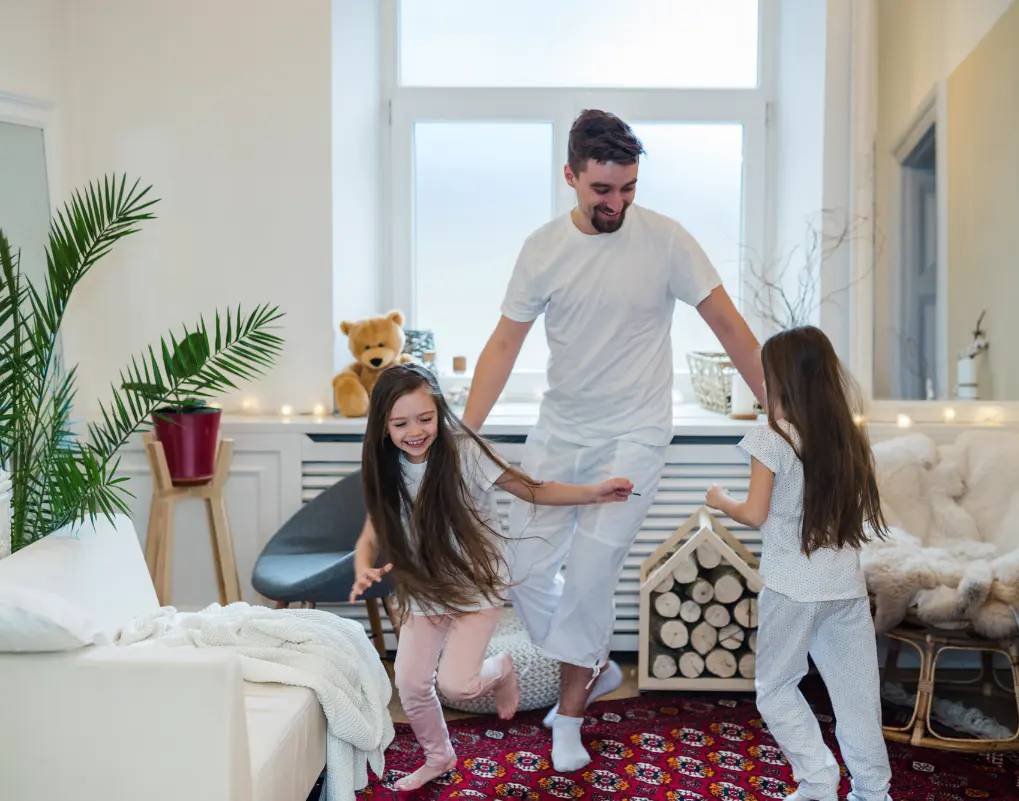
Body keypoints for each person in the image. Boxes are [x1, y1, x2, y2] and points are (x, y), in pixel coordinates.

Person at [462, 109, 766, 773]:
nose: (618, 202)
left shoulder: (667, 241)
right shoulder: (542, 249)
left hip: (637, 431)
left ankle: (569, 716)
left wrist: (781, 407)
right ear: (570, 175)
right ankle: (592, 662)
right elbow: (504, 343)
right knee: (522, 568)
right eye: (603, 189)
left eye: (628, 187)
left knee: (593, 571)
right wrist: (467, 428)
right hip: (560, 429)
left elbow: (730, 327)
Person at [350, 363, 635, 792]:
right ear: (383, 426)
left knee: (457, 685)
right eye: (401, 423)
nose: (415, 431)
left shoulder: (467, 453)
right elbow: (372, 528)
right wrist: (362, 566)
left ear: (440, 413)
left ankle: (501, 670)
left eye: (425, 419)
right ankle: (439, 757)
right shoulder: (386, 466)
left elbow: (533, 488)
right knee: (409, 684)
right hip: (424, 592)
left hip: (474, 590)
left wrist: (593, 492)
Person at [705, 326, 892, 801]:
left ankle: (817, 780)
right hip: (844, 590)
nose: (762, 388)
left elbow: (754, 513)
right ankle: (873, 792)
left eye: (766, 378)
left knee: (775, 689)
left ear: (783, 381)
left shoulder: (772, 439)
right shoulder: (847, 436)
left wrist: (720, 499)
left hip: (791, 589)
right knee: (857, 699)